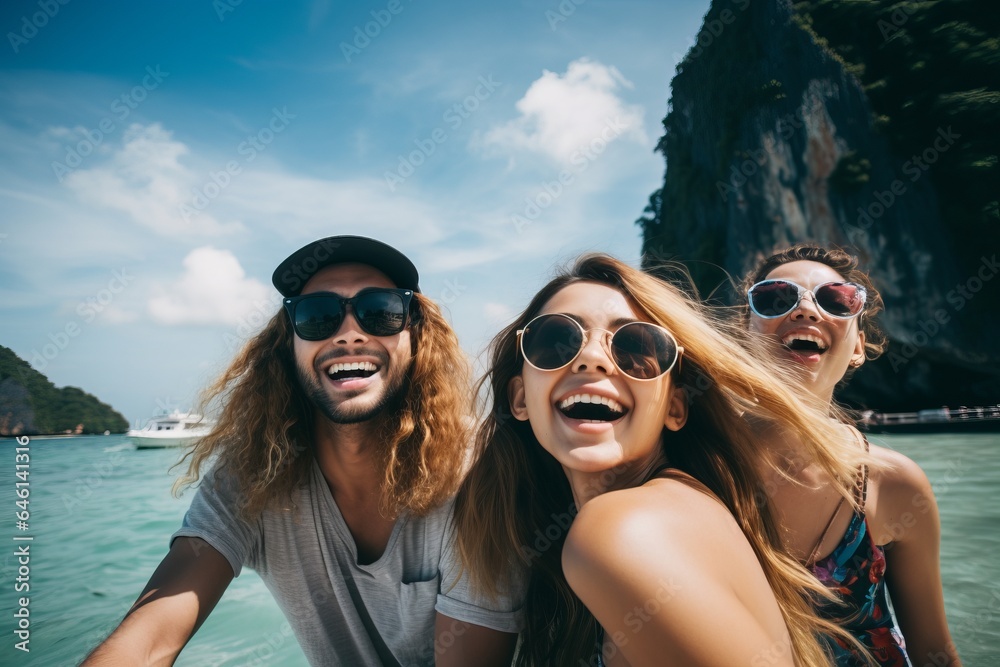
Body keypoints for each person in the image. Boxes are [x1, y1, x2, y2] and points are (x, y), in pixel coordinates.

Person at [83, 236, 520, 666]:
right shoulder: (252, 478)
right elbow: (147, 643)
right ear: (287, 346)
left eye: (381, 312)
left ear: (416, 336)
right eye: (317, 315)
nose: (350, 333)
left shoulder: (478, 470)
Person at [454, 253, 871, 667]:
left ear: (676, 407)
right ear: (520, 397)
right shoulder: (679, 507)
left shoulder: (615, 531)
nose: (592, 358)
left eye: (637, 346)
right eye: (554, 341)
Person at [742, 244, 961, 666]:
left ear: (858, 347)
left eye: (836, 300)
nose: (806, 310)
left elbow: (934, 654)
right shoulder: (696, 463)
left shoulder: (894, 483)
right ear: (743, 333)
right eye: (775, 298)